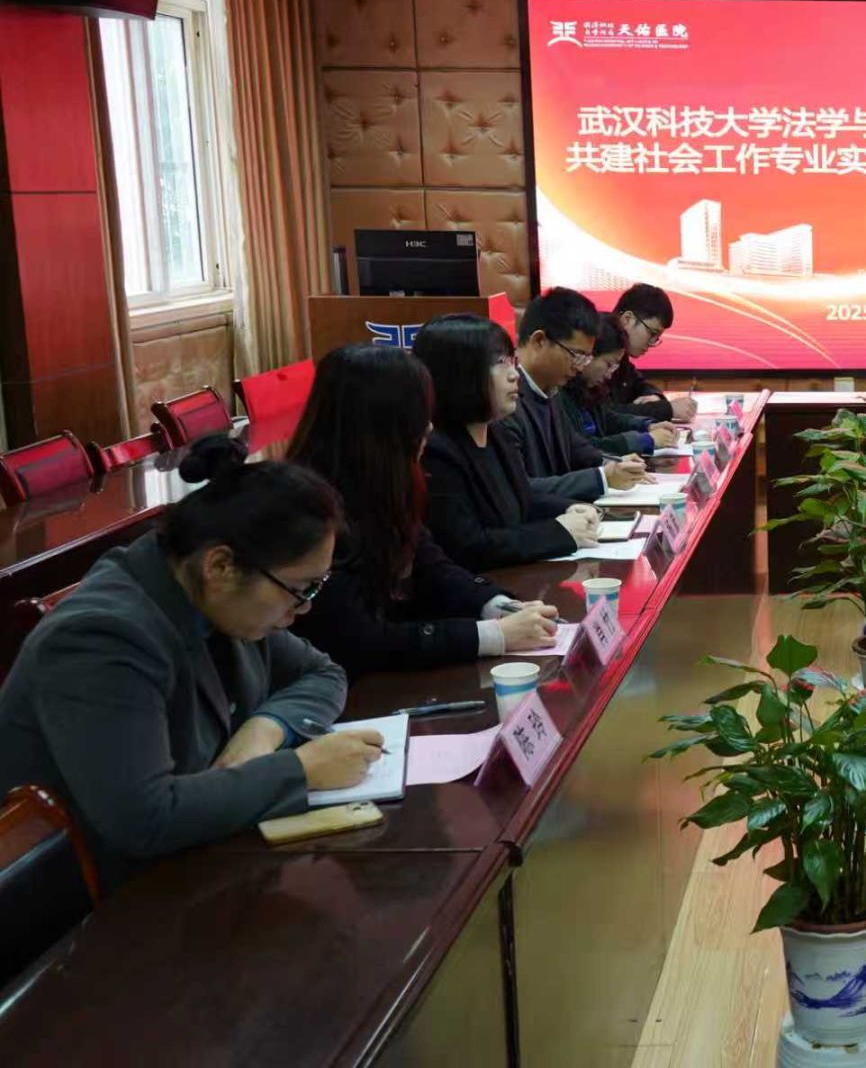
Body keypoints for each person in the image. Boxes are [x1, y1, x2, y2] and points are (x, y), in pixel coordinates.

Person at [0, 436, 385, 886]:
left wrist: (265, 730)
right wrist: (302, 771)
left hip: (190, 863)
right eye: (301, 589)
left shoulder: (207, 594)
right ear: (220, 566)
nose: (305, 608)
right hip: (89, 901)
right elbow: (145, 819)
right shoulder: (101, 638)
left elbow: (322, 673)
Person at [286, 343, 563, 677]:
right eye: (418, 414)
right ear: (380, 423)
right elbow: (358, 640)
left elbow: (432, 565)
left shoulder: (384, 480)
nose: (429, 427)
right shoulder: (309, 506)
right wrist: (492, 635)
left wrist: (499, 606)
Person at [414, 313, 604, 571]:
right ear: (460, 373)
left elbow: (522, 500)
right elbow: (468, 546)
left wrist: (573, 508)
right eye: (500, 363)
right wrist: (558, 532)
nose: (514, 375)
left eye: (512, 361)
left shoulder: (496, 433)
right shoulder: (436, 451)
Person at [503, 286, 653, 502]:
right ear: (539, 341)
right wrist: (603, 478)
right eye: (577, 355)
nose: (580, 366)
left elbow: (576, 448)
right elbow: (520, 489)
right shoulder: (505, 401)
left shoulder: (551, 390)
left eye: (587, 358)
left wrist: (613, 465)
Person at [562, 318, 682, 457]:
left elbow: (608, 418)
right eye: (608, 364)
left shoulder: (588, 389)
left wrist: (647, 426)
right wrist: (644, 440)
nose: (609, 375)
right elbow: (583, 448)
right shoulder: (560, 394)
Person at [609, 282, 697, 422]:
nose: (652, 343)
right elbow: (604, 414)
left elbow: (641, 385)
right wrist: (667, 409)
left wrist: (655, 397)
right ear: (627, 319)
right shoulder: (597, 349)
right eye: (652, 333)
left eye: (657, 337)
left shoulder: (621, 356)